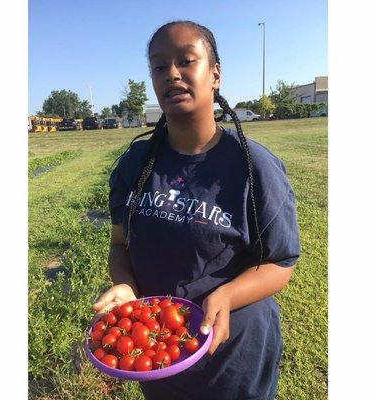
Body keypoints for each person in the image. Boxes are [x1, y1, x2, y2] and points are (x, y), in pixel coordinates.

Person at [92, 20, 300, 400]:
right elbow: (120, 245)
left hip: (233, 355)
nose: (171, 73)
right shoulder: (135, 164)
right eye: (158, 66)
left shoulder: (254, 166)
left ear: (215, 74)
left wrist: (226, 296)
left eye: (186, 60)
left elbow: (281, 263)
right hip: (161, 352)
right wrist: (126, 285)